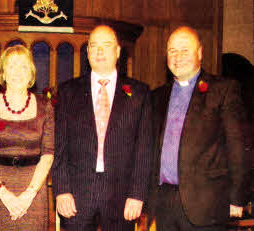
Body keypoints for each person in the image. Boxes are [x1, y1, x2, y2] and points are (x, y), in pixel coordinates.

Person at [148, 26, 250, 231]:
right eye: (172, 51)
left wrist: (238, 198)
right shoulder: (158, 95)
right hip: (164, 204)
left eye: (185, 50)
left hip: (207, 205)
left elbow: (238, 147)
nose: (178, 57)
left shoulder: (223, 90)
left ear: (200, 53)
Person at [52, 25, 153, 230]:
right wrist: (62, 190)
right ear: (87, 52)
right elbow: (59, 146)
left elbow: (144, 149)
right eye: (94, 46)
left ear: (117, 51)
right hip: (77, 195)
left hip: (122, 195)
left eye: (106, 46)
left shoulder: (139, 93)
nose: (99, 51)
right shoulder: (68, 91)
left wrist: (137, 194)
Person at [0, 45, 54, 230]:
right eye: (11, 66)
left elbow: (48, 155)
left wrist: (29, 194)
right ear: (3, 72)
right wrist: (4, 194)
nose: (17, 72)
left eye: (23, 66)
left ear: (31, 73)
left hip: (34, 192)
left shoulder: (46, 107)